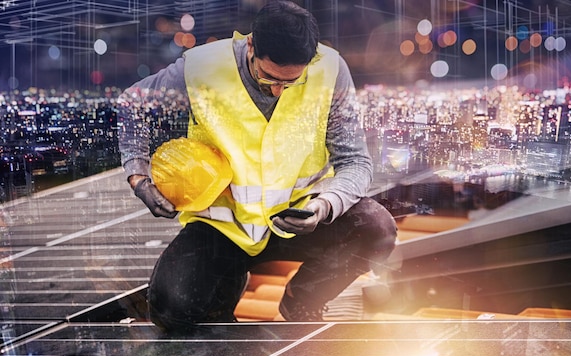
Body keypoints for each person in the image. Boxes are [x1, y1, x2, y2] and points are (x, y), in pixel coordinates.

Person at [117, 1, 397, 331]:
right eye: (268, 79)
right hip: (224, 227)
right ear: (251, 44)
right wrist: (138, 175)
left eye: (291, 82)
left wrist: (323, 207)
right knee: (170, 308)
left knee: (376, 229)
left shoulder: (329, 71)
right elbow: (133, 104)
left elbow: (355, 162)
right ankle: (225, 299)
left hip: (297, 217)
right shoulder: (201, 68)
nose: (278, 90)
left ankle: (303, 300)